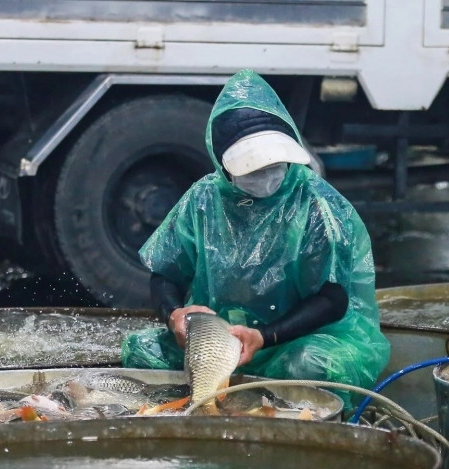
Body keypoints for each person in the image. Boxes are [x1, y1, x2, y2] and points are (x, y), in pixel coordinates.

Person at [121, 69, 390, 406]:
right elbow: (165, 273)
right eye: (251, 168)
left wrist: (265, 336)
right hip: (221, 340)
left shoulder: (317, 206)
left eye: (274, 163)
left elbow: (333, 298)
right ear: (224, 165)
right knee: (143, 351)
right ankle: (197, 411)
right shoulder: (203, 200)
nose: (265, 175)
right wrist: (174, 313)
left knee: (312, 366)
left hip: (300, 341)